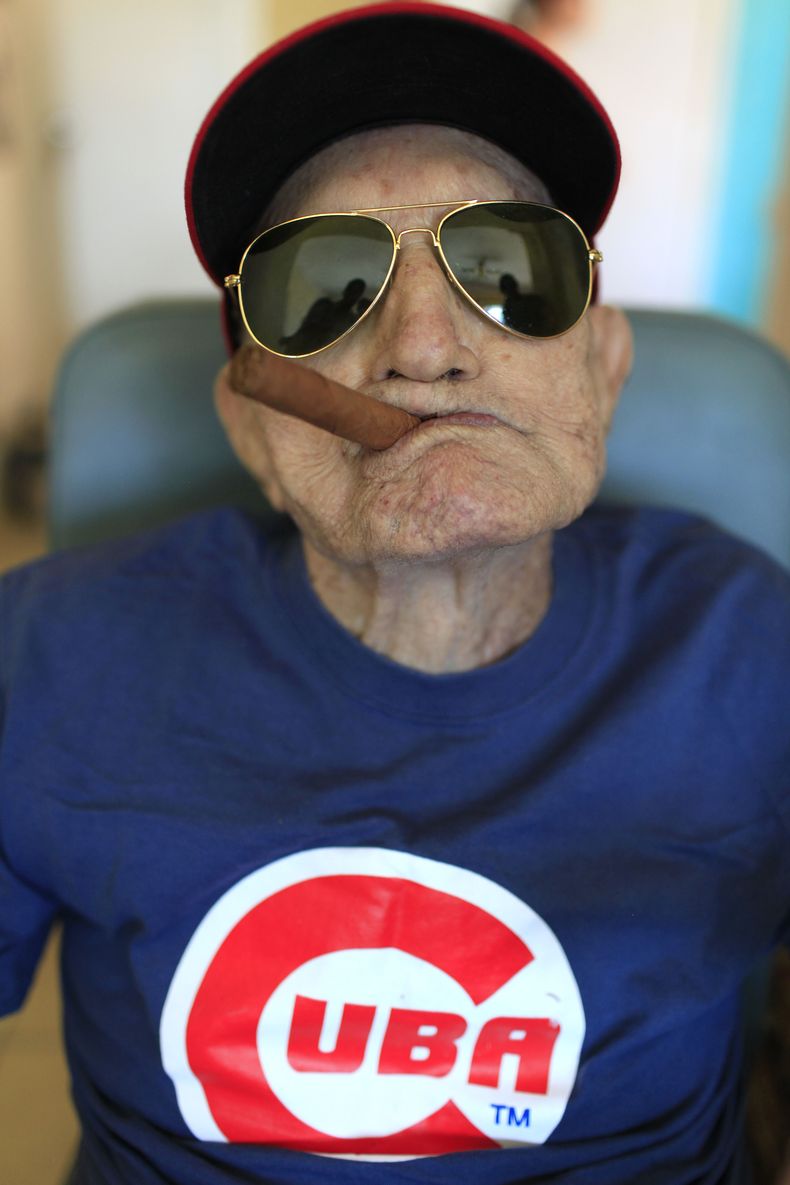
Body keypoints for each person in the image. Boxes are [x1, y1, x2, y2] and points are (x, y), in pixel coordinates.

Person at [1, 5, 788, 1184]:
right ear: (250, 426)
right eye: (327, 286)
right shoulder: (45, 652)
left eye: (509, 268)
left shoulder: (753, 647)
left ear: (605, 369)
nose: (424, 345)